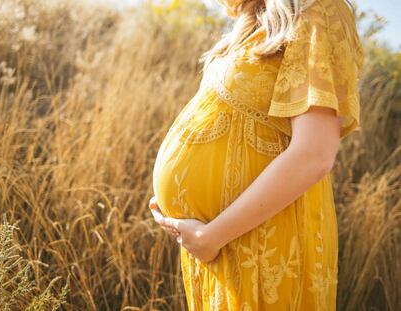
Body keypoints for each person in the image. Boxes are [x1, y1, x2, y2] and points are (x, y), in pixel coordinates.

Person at [149, 0, 364, 309]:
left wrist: (212, 236)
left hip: (264, 242)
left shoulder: (320, 10)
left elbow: (314, 153)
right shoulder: (252, 21)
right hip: (220, 244)